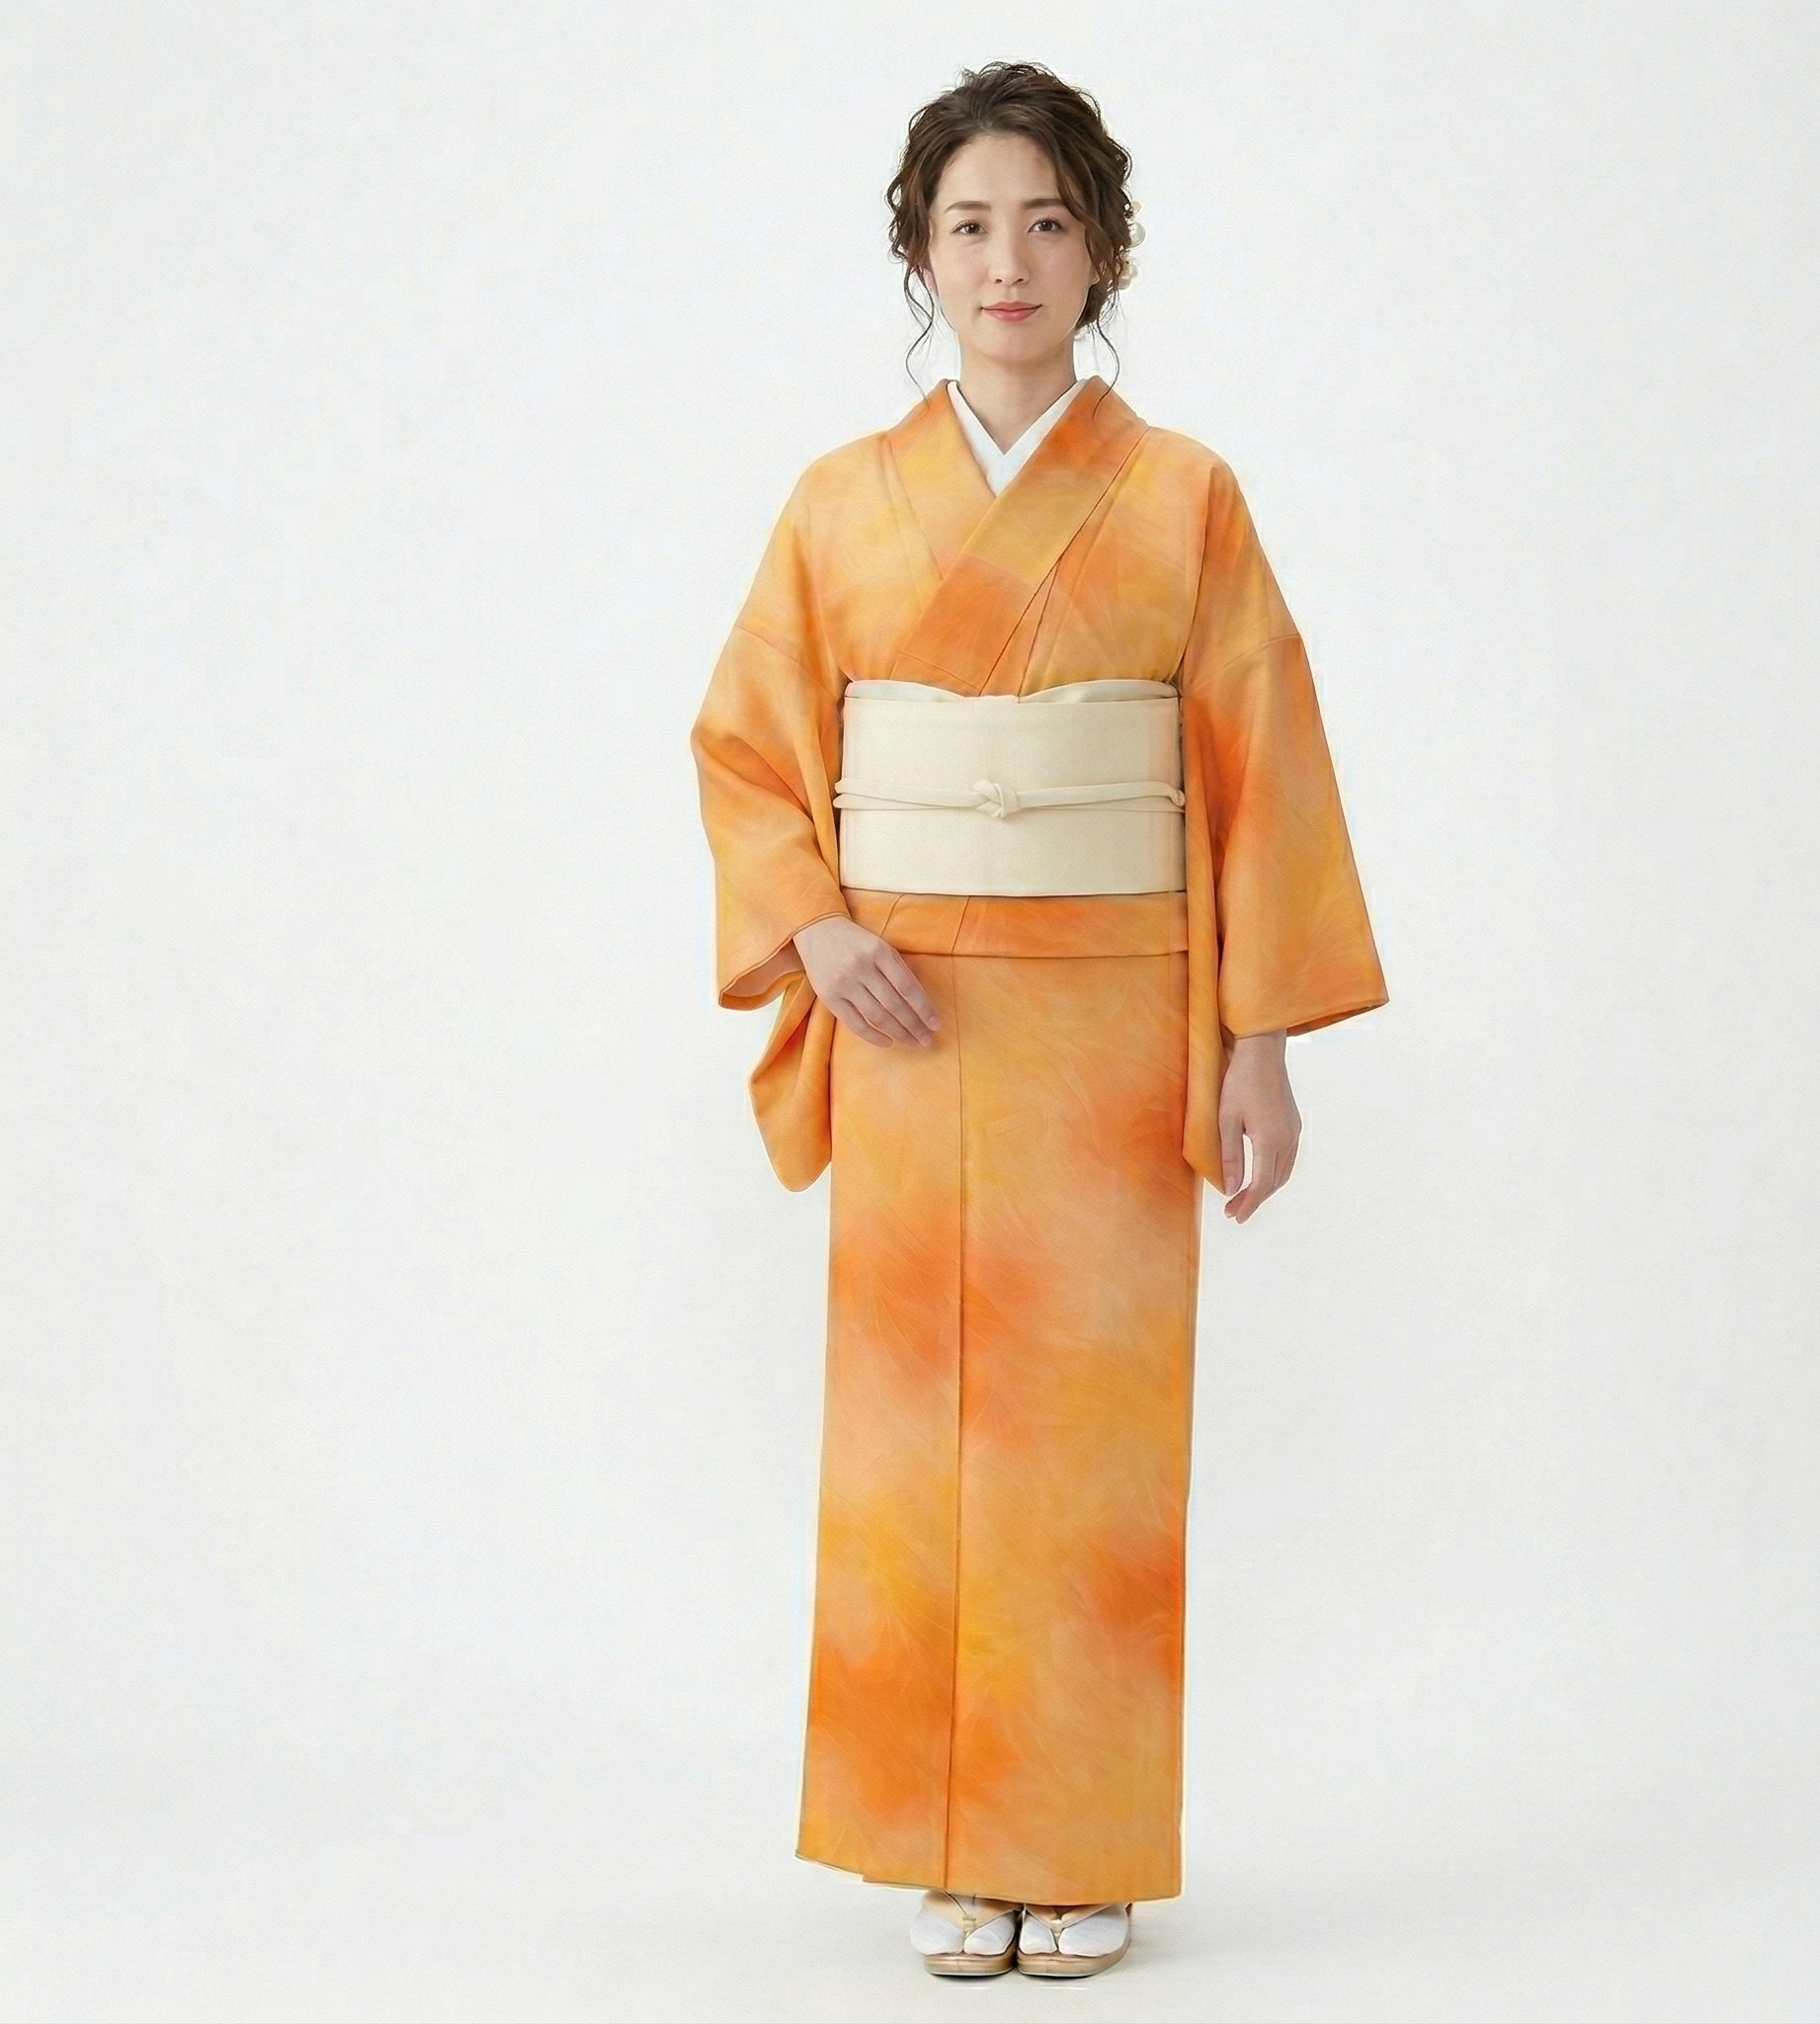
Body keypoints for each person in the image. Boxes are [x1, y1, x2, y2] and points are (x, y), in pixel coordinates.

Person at [691, 59, 1387, 1982]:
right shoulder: (841, 504)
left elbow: (1259, 770)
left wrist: (1258, 1043)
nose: (1007, 261)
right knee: (914, 1435)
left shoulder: (1182, 498)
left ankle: (1070, 1841)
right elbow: (746, 744)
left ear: (1103, 253)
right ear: (921, 254)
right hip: (907, 1018)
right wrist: (814, 923)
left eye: (1047, 222)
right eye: (970, 224)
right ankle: (948, 1837)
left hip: (1107, 1027)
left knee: (1087, 1440)